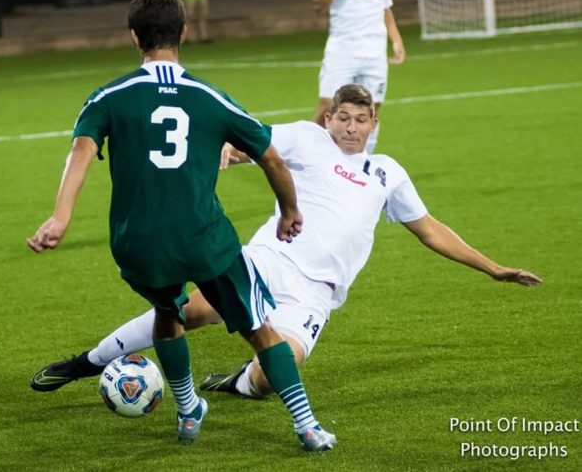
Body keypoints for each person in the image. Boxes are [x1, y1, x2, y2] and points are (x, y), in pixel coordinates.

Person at [31, 84, 541, 403]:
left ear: (374, 125)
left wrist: (493, 268)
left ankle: (236, 384)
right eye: (343, 117)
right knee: (188, 311)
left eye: (361, 120)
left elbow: (430, 229)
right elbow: (254, 144)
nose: (351, 126)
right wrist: (225, 154)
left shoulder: (388, 173)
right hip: (269, 259)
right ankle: (85, 363)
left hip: (317, 294)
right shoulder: (307, 137)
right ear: (329, 118)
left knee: (274, 377)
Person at [28, 0, 336, 451]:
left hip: (139, 243)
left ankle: (189, 409)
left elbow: (81, 151)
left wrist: (60, 217)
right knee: (260, 328)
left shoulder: (109, 96)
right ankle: (307, 426)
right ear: (185, 33)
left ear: (134, 37)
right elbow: (271, 159)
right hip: (204, 238)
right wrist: (290, 210)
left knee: (169, 315)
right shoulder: (209, 96)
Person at [311, 0, 405, 154]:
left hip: (374, 54)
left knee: (371, 112)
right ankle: (308, 159)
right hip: (342, 50)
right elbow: (319, 5)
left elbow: (385, 7)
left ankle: (361, 166)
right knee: (326, 110)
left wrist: (396, 40)